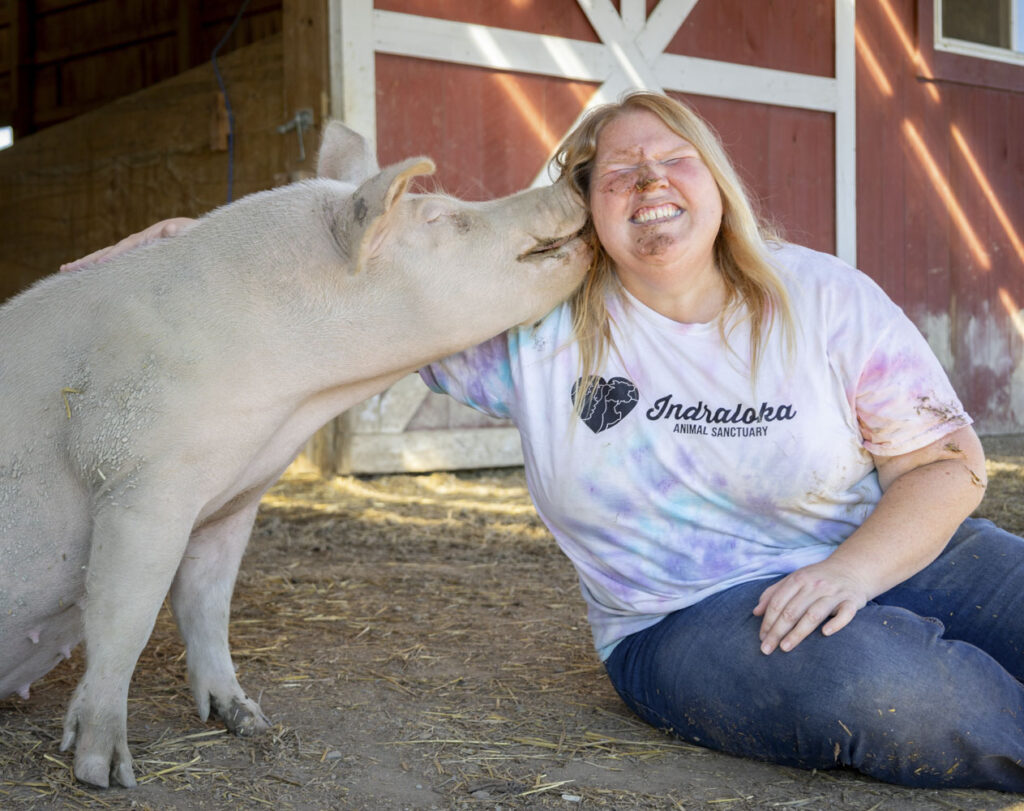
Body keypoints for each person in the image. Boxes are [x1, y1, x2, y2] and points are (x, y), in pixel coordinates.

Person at [65, 92, 1024, 792]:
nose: (649, 180)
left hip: (879, 550)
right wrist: (199, 249)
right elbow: (353, 293)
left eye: (673, 158)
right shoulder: (534, 332)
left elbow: (944, 467)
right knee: (901, 692)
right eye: (617, 171)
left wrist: (853, 573)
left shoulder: (823, 299)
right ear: (590, 212)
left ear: (716, 180)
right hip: (681, 618)